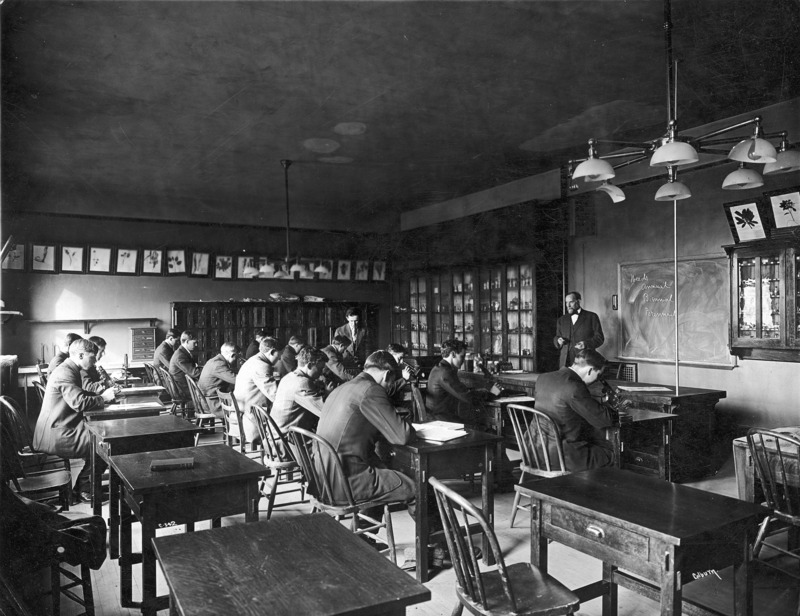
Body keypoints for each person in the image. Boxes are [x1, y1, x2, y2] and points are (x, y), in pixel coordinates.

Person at [314, 350, 415, 510]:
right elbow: (402, 436)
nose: (388, 388)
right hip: (345, 482)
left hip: (322, 477)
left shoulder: (343, 387)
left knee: (383, 471)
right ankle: (436, 534)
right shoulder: (371, 389)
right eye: (390, 382)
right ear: (387, 375)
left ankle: (364, 534)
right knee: (415, 489)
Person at [32, 338, 117, 503]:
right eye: (92, 357)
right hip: (57, 432)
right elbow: (79, 402)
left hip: (61, 426)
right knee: (105, 444)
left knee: (103, 438)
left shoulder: (69, 369)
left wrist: (100, 397)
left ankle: (84, 486)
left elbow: (80, 396)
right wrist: (103, 398)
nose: (94, 362)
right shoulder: (66, 372)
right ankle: (84, 490)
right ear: (80, 355)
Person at [533, 348, 616, 471]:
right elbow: (604, 420)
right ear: (590, 370)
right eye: (598, 375)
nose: (597, 380)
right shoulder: (575, 387)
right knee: (612, 454)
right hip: (559, 457)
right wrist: (612, 406)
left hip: (535, 451)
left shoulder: (543, 378)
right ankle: (585, 489)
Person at [233, 337, 281, 442]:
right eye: (279, 355)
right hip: (252, 417)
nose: (279, 359)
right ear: (272, 352)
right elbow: (274, 395)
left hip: (243, 409)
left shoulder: (253, 360)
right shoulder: (262, 365)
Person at [271, 347, 328, 435]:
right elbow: (324, 412)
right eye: (320, 369)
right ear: (309, 366)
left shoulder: (288, 377)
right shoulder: (303, 382)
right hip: (287, 440)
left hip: (276, 433)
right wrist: (329, 394)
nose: (321, 373)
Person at [425, 338, 482, 423]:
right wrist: (492, 392)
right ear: (453, 354)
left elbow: (462, 392)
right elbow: (467, 397)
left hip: (438, 418)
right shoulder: (445, 372)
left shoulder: (439, 368)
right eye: (462, 357)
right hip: (442, 421)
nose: (463, 361)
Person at [554, 291, 604, 368]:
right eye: (566, 302)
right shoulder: (562, 320)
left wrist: (586, 344)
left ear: (578, 301)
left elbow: (599, 338)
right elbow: (557, 336)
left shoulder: (592, 317)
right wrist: (558, 340)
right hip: (564, 363)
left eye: (571, 302)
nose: (568, 305)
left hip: (585, 362)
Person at [198, 342, 240, 418]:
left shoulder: (214, 360)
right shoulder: (219, 364)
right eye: (236, 357)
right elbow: (235, 380)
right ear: (232, 355)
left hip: (207, 400)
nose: (236, 360)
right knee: (245, 404)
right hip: (214, 403)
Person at [168, 330, 202, 401]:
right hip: (182, 390)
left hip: (182, 385)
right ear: (187, 342)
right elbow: (194, 373)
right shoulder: (180, 355)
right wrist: (207, 369)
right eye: (194, 343)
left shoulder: (182, 352)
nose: (196, 345)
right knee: (209, 390)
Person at [386, 343, 416, 408]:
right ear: (391, 356)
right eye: (400, 358)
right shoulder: (385, 370)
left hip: (395, 402)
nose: (402, 361)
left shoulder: (393, 367)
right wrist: (404, 379)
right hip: (389, 405)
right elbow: (388, 390)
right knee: (413, 408)